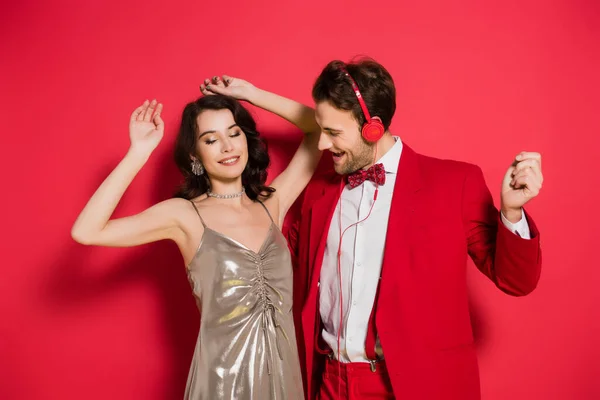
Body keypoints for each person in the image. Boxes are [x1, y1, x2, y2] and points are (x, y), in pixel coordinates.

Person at [286, 58, 543, 400]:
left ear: (372, 128)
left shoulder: (454, 184)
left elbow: (516, 280)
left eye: (333, 133)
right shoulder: (317, 193)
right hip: (330, 383)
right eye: (321, 130)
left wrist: (511, 211)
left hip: (414, 386)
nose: (321, 145)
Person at [71, 76, 322, 400]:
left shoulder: (273, 204)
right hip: (221, 388)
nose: (228, 146)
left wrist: (252, 95)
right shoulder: (184, 215)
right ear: (195, 155)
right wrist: (139, 153)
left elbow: (318, 128)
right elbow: (86, 231)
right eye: (211, 139)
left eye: (234, 133)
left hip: (285, 385)